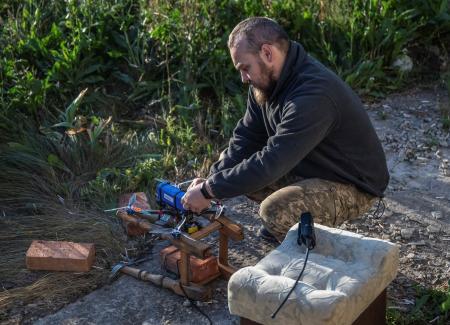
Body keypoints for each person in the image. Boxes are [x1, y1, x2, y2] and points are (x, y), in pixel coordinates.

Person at [181, 17, 389, 242]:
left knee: (275, 211)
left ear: (267, 53)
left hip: (353, 184)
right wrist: (211, 180)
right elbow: (247, 137)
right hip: (314, 166)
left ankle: (315, 246)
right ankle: (293, 225)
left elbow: (272, 162)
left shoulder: (314, 94)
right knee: (233, 173)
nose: (243, 78)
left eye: (245, 68)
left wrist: (208, 191)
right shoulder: (265, 84)